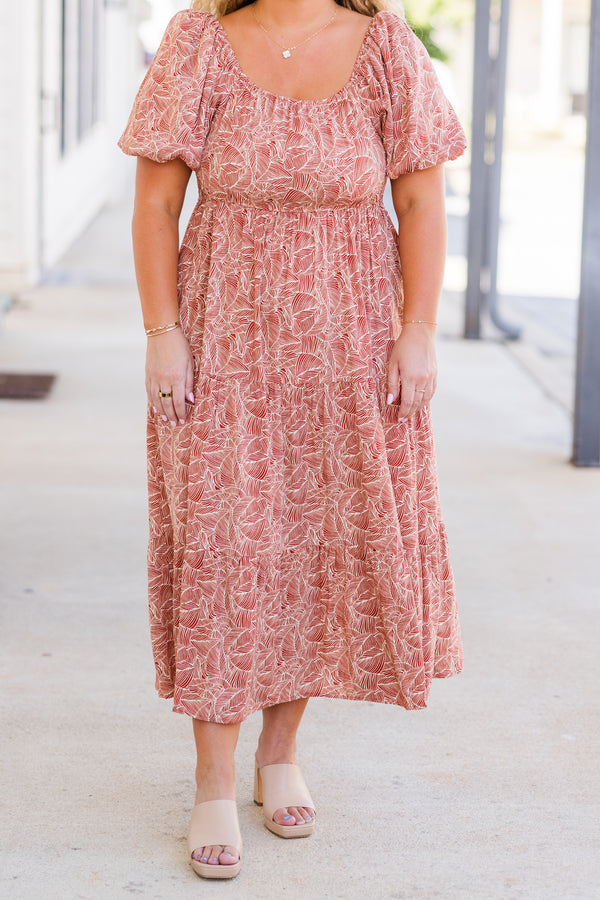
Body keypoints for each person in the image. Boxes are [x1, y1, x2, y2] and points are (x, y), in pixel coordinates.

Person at [119, 0, 466, 880]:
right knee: (227, 543)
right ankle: (212, 778)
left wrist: (417, 330)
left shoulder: (386, 40)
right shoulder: (198, 38)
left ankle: (280, 755)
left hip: (349, 339)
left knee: (314, 543)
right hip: (225, 327)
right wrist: (163, 330)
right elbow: (158, 201)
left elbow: (421, 194)